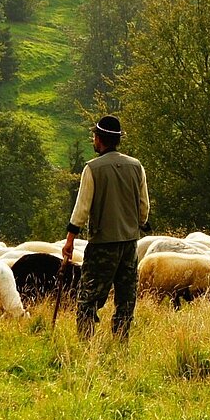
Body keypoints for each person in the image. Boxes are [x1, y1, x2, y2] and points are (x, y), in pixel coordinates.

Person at [62, 114, 150, 341]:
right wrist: (138, 224)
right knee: (126, 298)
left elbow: (82, 209)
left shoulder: (92, 169)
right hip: (129, 244)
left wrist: (70, 240)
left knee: (88, 298)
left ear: (99, 139)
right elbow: (144, 206)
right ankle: (121, 342)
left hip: (102, 244)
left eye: (94, 136)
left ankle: (86, 344)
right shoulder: (136, 166)